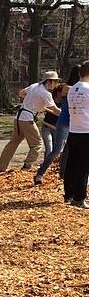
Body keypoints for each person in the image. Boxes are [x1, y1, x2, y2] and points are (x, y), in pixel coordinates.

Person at [0, 71, 61, 174]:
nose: (56, 85)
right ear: (49, 81)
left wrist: (33, 101)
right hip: (27, 119)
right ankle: (27, 166)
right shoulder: (46, 93)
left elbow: (21, 93)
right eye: (55, 82)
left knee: (13, 143)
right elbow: (55, 110)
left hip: (19, 117)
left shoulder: (34, 86)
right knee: (37, 144)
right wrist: (66, 115)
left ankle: (0, 168)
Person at [34, 66, 80, 185]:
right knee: (56, 151)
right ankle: (39, 174)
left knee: (68, 151)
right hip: (64, 123)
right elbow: (76, 92)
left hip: (75, 124)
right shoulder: (67, 88)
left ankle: (63, 175)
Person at [63, 60, 89, 209]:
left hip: (74, 130)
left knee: (72, 164)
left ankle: (69, 195)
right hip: (86, 131)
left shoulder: (72, 89)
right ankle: (80, 198)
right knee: (84, 167)